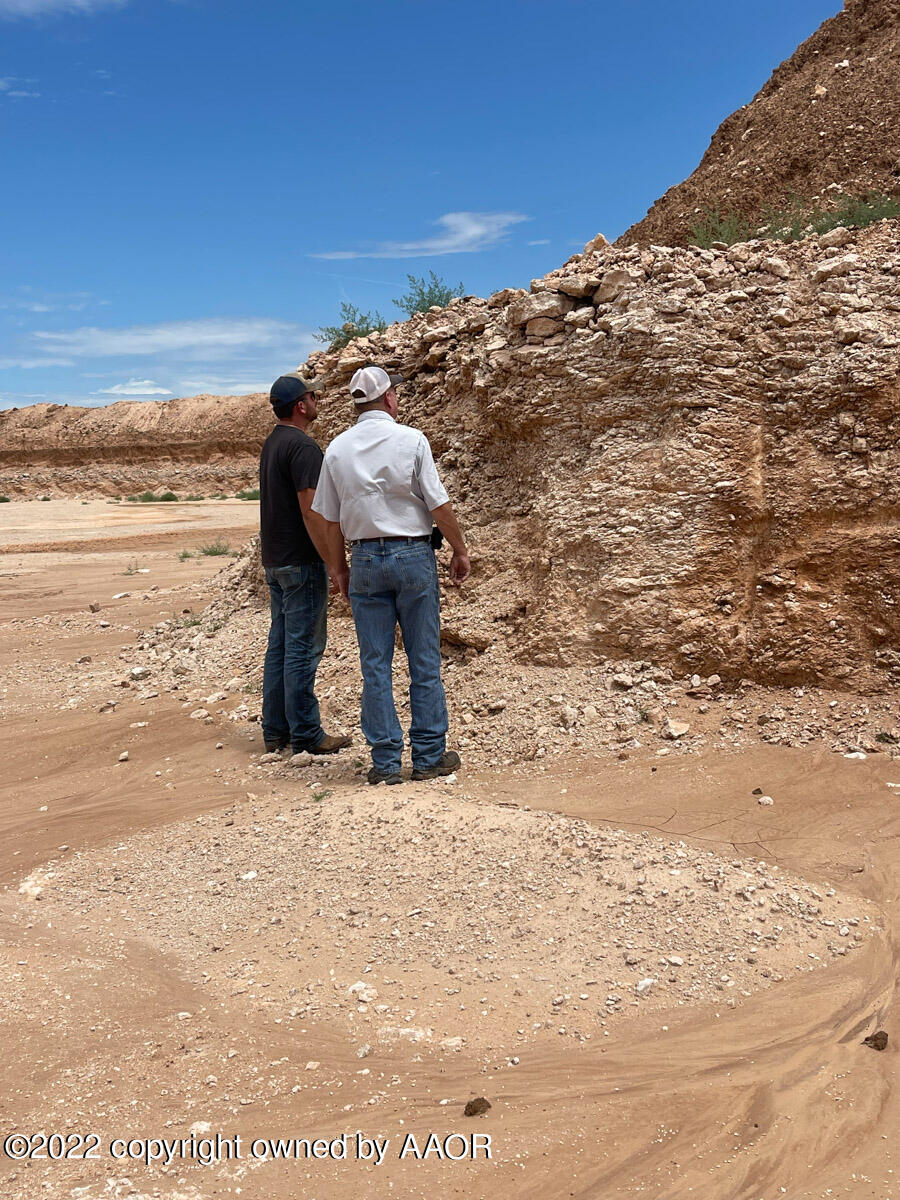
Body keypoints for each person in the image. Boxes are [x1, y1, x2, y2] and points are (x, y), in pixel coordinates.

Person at [311, 365, 470, 785]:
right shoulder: (412, 440)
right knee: (423, 659)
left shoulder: (337, 449)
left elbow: (328, 519)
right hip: (412, 555)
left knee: (375, 664)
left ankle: (384, 763)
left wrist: (338, 568)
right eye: (394, 393)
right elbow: (437, 504)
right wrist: (459, 548)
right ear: (387, 399)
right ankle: (429, 756)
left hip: (364, 560)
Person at [258, 372, 350, 757]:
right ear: (300, 405)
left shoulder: (272, 444)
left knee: (280, 646)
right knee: (302, 649)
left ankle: (275, 731)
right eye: (312, 397)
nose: (316, 402)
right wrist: (334, 561)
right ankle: (307, 734)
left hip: (276, 561)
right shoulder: (304, 448)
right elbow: (313, 511)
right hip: (301, 562)